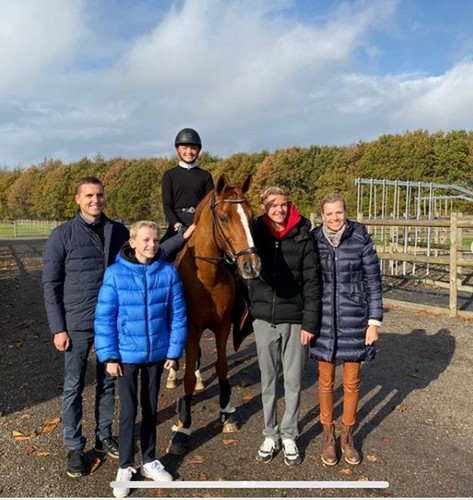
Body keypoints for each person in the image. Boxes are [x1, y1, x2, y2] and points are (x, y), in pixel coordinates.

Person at [42, 176, 192, 478]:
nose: (95, 200)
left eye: (99, 195)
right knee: (74, 385)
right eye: (89, 195)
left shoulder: (118, 230)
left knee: (109, 382)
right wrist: (58, 327)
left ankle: (103, 435)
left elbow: (150, 251)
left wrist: (185, 236)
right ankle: (74, 445)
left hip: (118, 322)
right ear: (78, 199)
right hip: (77, 323)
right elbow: (51, 283)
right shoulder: (63, 235)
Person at [94, 221, 187, 498]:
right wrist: (109, 355)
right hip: (125, 355)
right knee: (128, 411)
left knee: (150, 408)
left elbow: (178, 315)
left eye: (156, 240)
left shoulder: (168, 273)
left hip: (157, 353)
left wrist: (173, 350)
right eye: (145, 240)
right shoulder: (115, 274)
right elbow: (105, 318)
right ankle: (125, 465)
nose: (152, 245)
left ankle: (148, 460)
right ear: (132, 242)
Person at [248, 186, 321, 466]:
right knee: (268, 380)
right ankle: (270, 432)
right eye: (272, 205)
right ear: (264, 208)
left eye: (282, 204)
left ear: (289, 204)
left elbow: (313, 281)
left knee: (292, 380)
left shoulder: (302, 232)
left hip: (294, 318)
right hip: (264, 317)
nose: (278, 209)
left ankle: (289, 434)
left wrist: (309, 323)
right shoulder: (255, 231)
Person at [310, 193, 383, 466]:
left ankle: (347, 435)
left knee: (352, 383)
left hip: (355, 319)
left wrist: (374, 321)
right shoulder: (314, 240)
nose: (334, 218)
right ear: (322, 215)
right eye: (329, 214)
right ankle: (328, 435)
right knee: (326, 382)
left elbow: (374, 282)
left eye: (338, 213)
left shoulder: (360, 237)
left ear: (345, 212)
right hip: (324, 321)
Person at [160, 127, 214, 244]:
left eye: (193, 148)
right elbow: (167, 205)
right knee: (159, 252)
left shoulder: (205, 176)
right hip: (177, 225)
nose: (189, 152)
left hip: (200, 223)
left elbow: (210, 204)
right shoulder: (170, 175)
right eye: (184, 148)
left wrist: (199, 223)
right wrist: (176, 224)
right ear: (178, 149)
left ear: (198, 150)